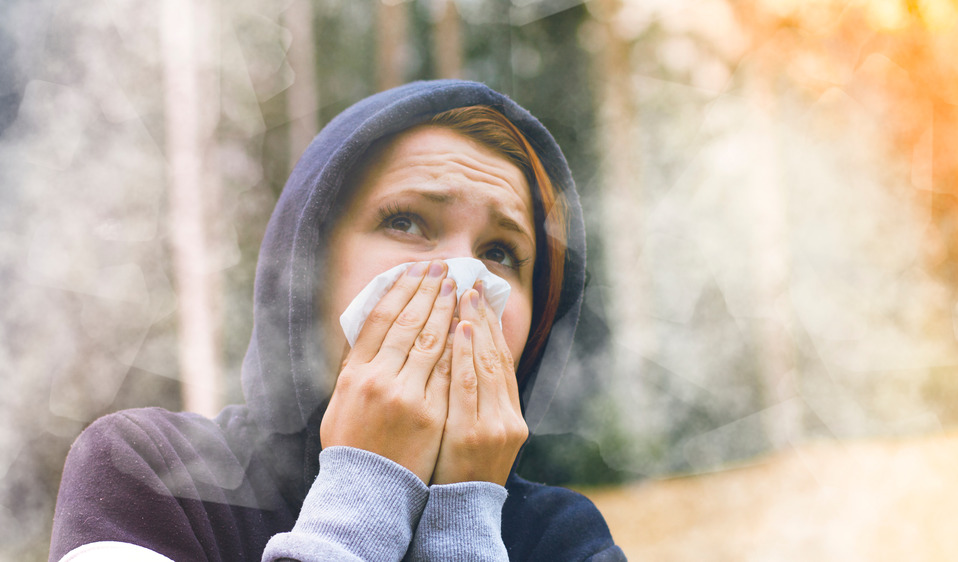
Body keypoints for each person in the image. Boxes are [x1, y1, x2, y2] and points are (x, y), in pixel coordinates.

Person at [49, 80, 625, 561]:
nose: (462, 276)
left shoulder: (563, 538)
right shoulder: (149, 472)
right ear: (308, 266)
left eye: (500, 252)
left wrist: (466, 520)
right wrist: (366, 490)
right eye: (407, 221)